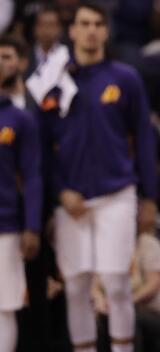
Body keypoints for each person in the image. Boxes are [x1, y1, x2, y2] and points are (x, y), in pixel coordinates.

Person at [39, 2, 158, 352]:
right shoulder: (53, 82)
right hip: (70, 199)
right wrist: (59, 193)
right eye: (84, 23)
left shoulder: (126, 78)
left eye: (98, 23)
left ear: (106, 31)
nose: (91, 30)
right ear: (71, 31)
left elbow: (144, 139)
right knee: (75, 286)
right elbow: (42, 149)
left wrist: (149, 198)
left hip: (116, 193)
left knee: (117, 282)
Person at [0, 36, 41, 352]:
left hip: (6, 225)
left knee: (5, 305)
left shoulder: (20, 118)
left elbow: (32, 175)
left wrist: (32, 226)